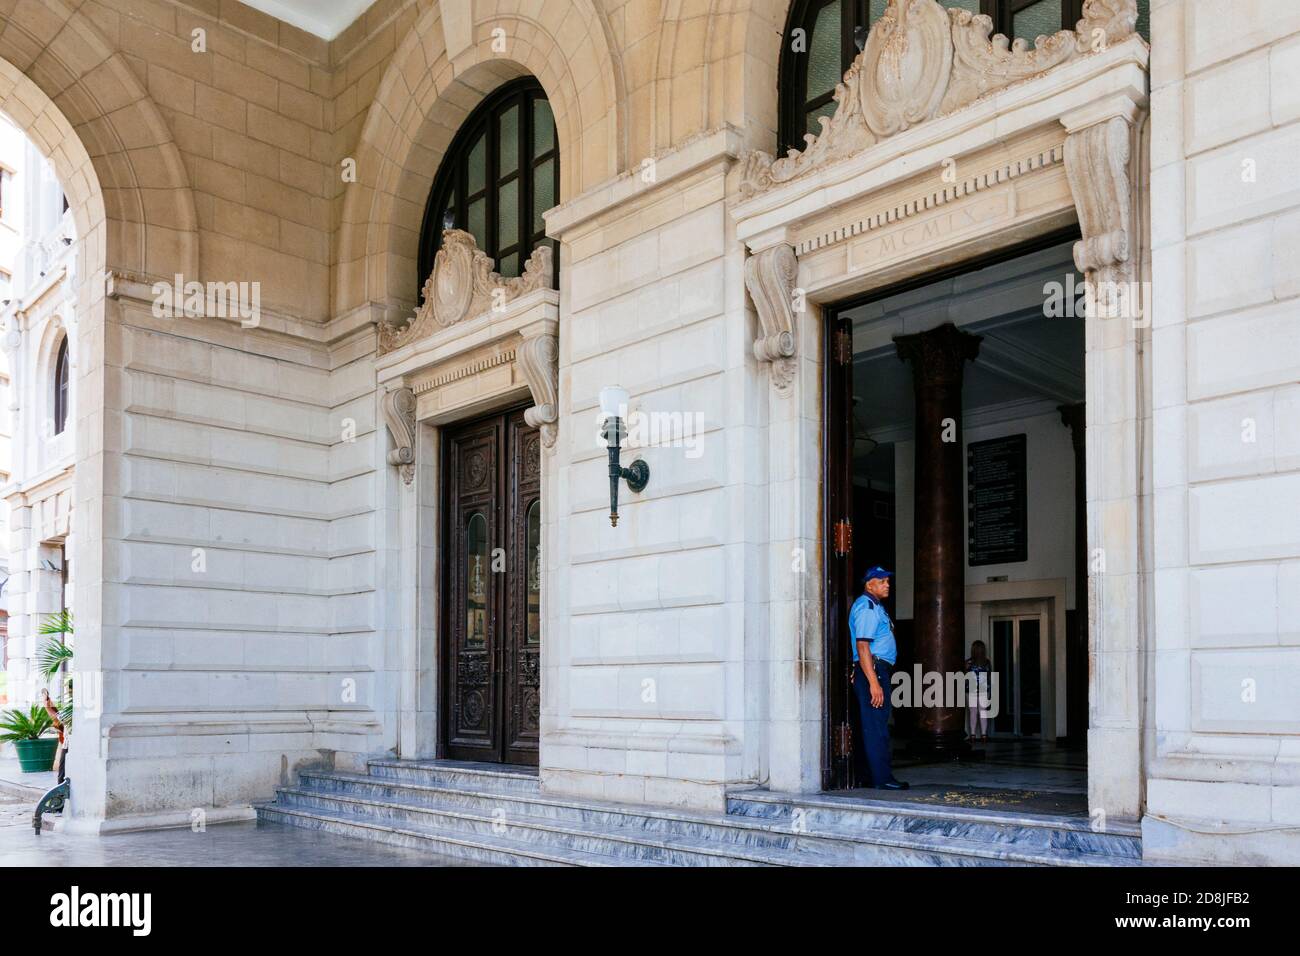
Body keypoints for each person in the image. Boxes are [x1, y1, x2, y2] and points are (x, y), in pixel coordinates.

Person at [850, 566, 908, 790]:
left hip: (872, 670)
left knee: (872, 725)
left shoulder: (876, 607)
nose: (887, 584)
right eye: (882, 581)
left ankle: (868, 775)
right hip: (873, 671)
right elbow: (863, 646)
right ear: (869, 584)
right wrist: (874, 682)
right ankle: (882, 779)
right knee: (877, 728)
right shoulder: (867, 607)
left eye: (887, 581)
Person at [965, 640, 992, 742]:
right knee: (983, 712)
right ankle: (984, 735)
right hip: (984, 689)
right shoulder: (987, 662)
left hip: (970, 689)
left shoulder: (968, 662)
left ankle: (972, 735)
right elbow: (989, 676)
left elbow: (964, 675)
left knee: (972, 712)